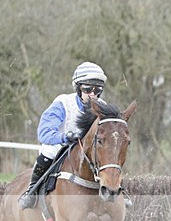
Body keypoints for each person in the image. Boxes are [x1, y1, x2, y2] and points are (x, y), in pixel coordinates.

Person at [19, 61, 108, 209]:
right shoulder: (63, 103)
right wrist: (65, 136)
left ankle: (118, 192)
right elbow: (44, 133)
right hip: (62, 146)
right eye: (87, 89)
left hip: (88, 151)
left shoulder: (102, 106)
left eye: (97, 89)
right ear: (78, 88)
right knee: (49, 150)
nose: (93, 94)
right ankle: (32, 190)